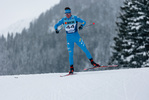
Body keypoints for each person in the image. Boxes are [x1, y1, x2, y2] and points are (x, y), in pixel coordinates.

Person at [54, 7, 100, 74]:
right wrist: (56, 30)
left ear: (70, 13)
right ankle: (71, 68)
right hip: (69, 39)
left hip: (77, 37)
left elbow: (84, 22)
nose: (67, 14)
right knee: (70, 54)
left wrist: (81, 26)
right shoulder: (63, 20)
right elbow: (56, 25)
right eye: (66, 13)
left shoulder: (75, 18)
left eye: (68, 13)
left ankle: (93, 63)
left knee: (85, 49)